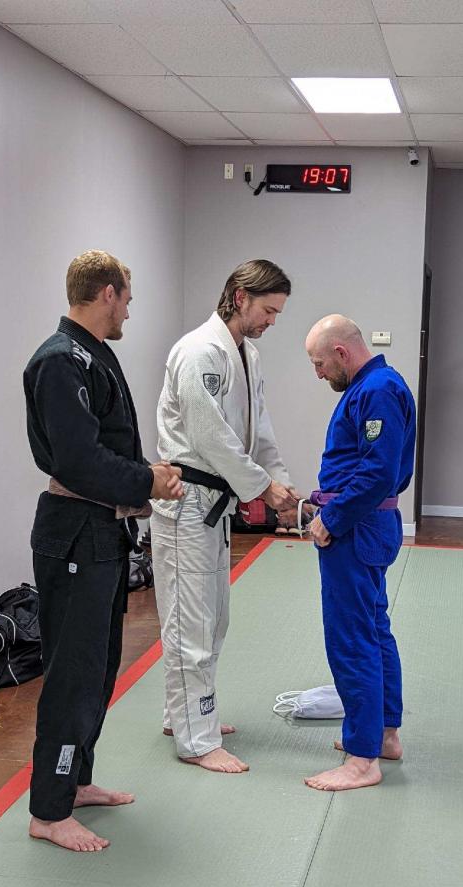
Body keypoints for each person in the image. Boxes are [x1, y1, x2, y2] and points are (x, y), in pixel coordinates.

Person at [23, 250, 183, 851]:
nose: (129, 312)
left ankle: (76, 780)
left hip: (101, 531)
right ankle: (48, 810)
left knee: (100, 665)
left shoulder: (89, 355)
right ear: (108, 293)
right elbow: (77, 460)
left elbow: (103, 446)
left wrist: (147, 474)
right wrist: (147, 482)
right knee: (73, 672)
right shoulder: (59, 361)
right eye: (127, 300)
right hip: (74, 532)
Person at [151, 258, 299, 774]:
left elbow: (260, 431)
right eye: (268, 310)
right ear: (240, 297)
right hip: (187, 500)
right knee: (190, 621)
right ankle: (195, 739)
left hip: (217, 505)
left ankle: (185, 714)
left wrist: (280, 484)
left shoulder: (246, 354)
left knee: (214, 619)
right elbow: (210, 436)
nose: (272, 321)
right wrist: (262, 487)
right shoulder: (198, 351)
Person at [303, 315, 416, 791]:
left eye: (319, 363)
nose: (318, 374)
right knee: (373, 628)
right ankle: (383, 735)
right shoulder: (372, 388)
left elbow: (377, 473)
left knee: (352, 638)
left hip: (356, 529)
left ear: (342, 353)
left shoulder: (377, 390)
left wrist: (331, 518)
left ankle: (362, 758)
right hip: (366, 524)